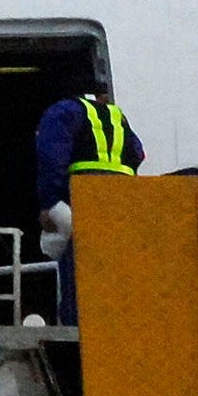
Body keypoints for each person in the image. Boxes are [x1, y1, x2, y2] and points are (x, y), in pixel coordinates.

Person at [29, 87, 143, 270]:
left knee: (76, 264)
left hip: (80, 198)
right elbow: (138, 153)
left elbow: (52, 158)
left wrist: (49, 203)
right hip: (121, 201)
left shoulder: (63, 111)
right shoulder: (117, 116)